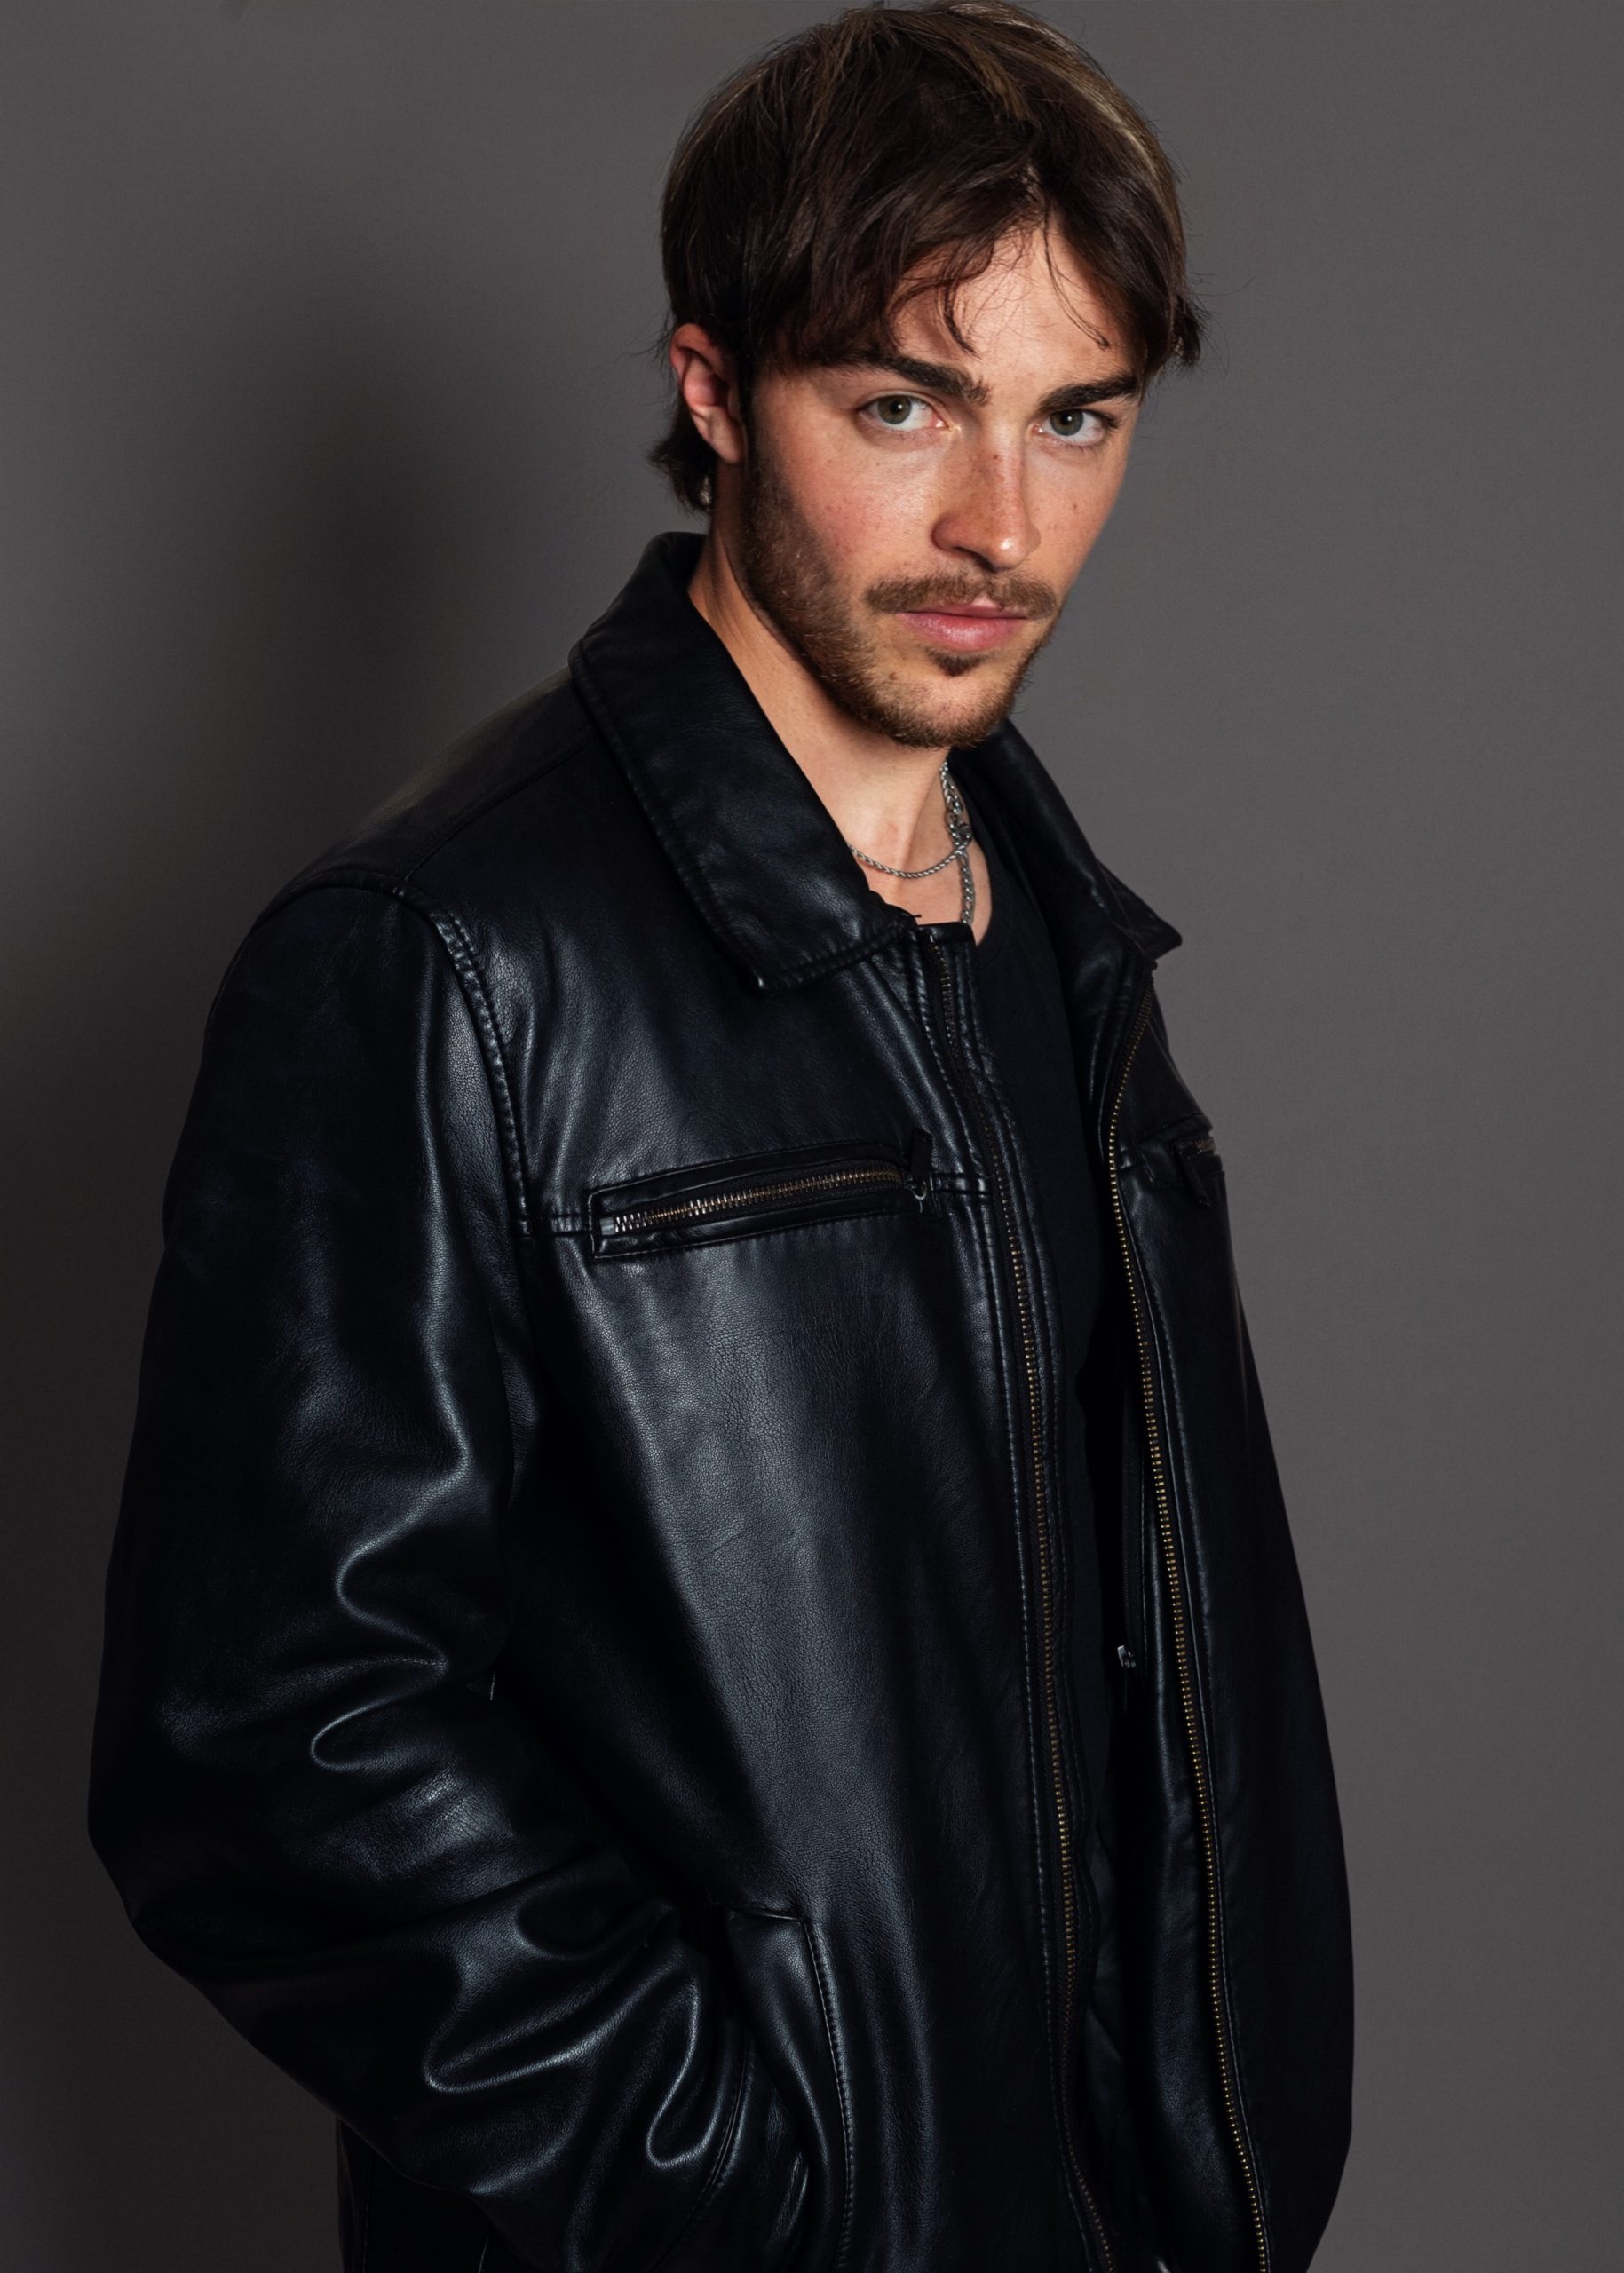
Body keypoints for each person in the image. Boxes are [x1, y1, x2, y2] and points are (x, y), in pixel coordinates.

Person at [88, 6, 1353, 2270]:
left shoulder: (1064, 949)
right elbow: (262, 1741)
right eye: (905, 404)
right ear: (715, 393)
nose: (1002, 524)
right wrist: (734, 2199)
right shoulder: (442, 957)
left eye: (1076, 416)